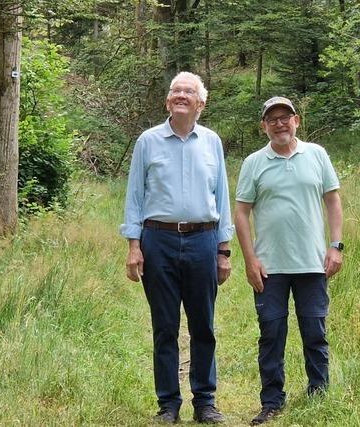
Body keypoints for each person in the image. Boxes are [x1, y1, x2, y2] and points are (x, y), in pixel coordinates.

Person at [120, 71, 233, 424]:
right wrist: (134, 247)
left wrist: (223, 250)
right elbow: (135, 197)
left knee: (204, 325)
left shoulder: (212, 142)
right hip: (159, 241)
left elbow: (223, 197)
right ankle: (168, 403)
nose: (180, 95)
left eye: (188, 91)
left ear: (201, 102)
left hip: (203, 239)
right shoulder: (148, 141)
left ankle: (205, 401)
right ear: (168, 100)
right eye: (175, 90)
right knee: (165, 326)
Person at [234, 96, 344, 425]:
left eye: (286, 117)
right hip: (269, 267)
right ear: (263, 126)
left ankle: (319, 394)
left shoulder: (317, 155)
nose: (280, 123)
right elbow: (241, 213)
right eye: (272, 119)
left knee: (315, 331)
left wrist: (336, 245)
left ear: (297, 120)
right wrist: (250, 259)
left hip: (312, 264)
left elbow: (333, 201)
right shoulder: (254, 162)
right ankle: (271, 401)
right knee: (271, 333)